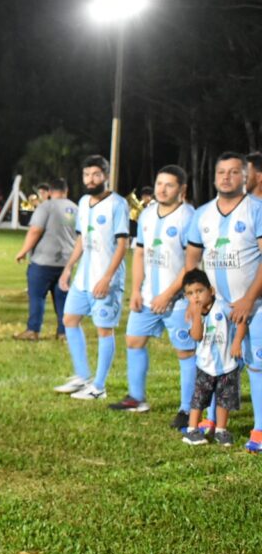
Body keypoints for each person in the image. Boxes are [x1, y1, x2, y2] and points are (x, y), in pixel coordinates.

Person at [184, 152, 262, 453]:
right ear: (214, 177)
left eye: (233, 172)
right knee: (217, 363)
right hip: (215, 308)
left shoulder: (256, 210)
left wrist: (249, 298)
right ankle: (214, 421)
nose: (226, 177)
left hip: (253, 305)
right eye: (221, 172)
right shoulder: (202, 214)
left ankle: (258, 429)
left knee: (256, 364)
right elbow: (193, 258)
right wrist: (195, 299)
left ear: (245, 177)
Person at [109, 166, 197, 417]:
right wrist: (136, 290)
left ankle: (188, 408)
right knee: (134, 341)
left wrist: (168, 295)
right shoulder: (147, 215)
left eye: (169, 185)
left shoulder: (189, 217)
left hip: (179, 300)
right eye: (159, 183)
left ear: (182, 190)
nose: (162, 189)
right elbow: (139, 253)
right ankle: (137, 398)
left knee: (186, 351)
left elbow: (191, 265)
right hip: (148, 297)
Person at [55, 155, 130, 400]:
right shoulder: (84, 202)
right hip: (83, 278)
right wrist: (68, 268)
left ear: (106, 176)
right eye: (87, 175)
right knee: (69, 320)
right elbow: (81, 240)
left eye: (96, 174)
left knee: (104, 330)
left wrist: (107, 277)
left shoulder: (117, 204)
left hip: (105, 280)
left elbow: (122, 245)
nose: (91, 179)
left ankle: (98, 387)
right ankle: (82, 376)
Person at [181, 269, 245, 446]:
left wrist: (237, 342)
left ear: (211, 290)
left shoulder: (222, 307)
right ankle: (192, 430)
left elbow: (240, 321)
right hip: (205, 365)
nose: (196, 297)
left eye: (199, 291)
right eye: (190, 293)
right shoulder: (193, 313)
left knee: (225, 399)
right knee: (199, 399)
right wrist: (195, 316)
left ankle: (221, 430)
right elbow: (196, 336)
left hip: (227, 365)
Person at [13, 178, 77, 341]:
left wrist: (23, 251)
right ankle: (64, 332)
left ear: (50, 192)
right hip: (66, 262)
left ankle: (33, 330)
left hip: (44, 261)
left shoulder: (46, 206)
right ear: (66, 190)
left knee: (37, 296)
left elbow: (35, 230)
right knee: (62, 298)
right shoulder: (75, 208)